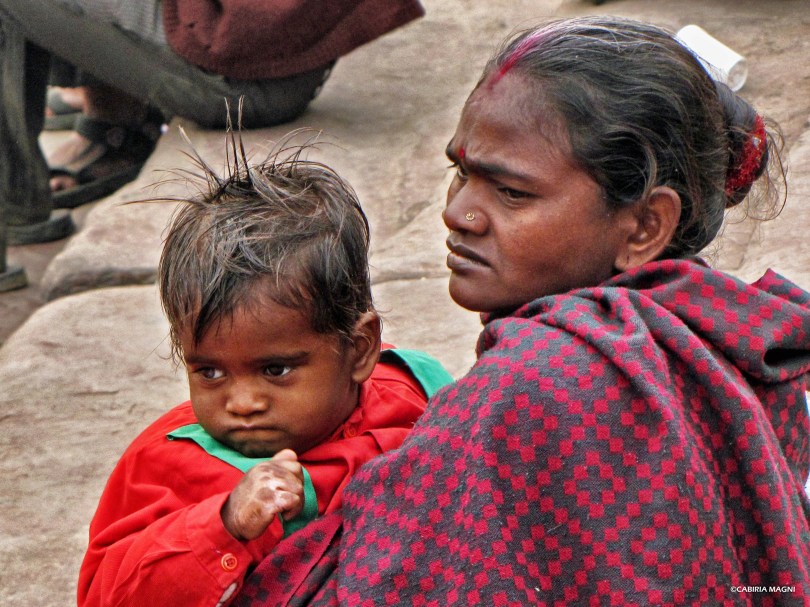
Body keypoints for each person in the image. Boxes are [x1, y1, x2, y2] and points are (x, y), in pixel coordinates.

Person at [233, 16, 810, 606]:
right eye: (462, 172)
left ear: (644, 225)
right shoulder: (728, 329)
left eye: (512, 192)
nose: (458, 213)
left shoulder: (529, 387)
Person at [76, 132, 453, 606]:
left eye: (275, 370)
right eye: (210, 372)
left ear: (359, 351)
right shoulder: (168, 467)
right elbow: (106, 595)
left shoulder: (415, 389)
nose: (242, 404)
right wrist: (223, 525)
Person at [0, 0, 424, 249]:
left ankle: (13, 207)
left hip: (246, 78)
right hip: (277, 59)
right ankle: (116, 124)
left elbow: (255, 26)